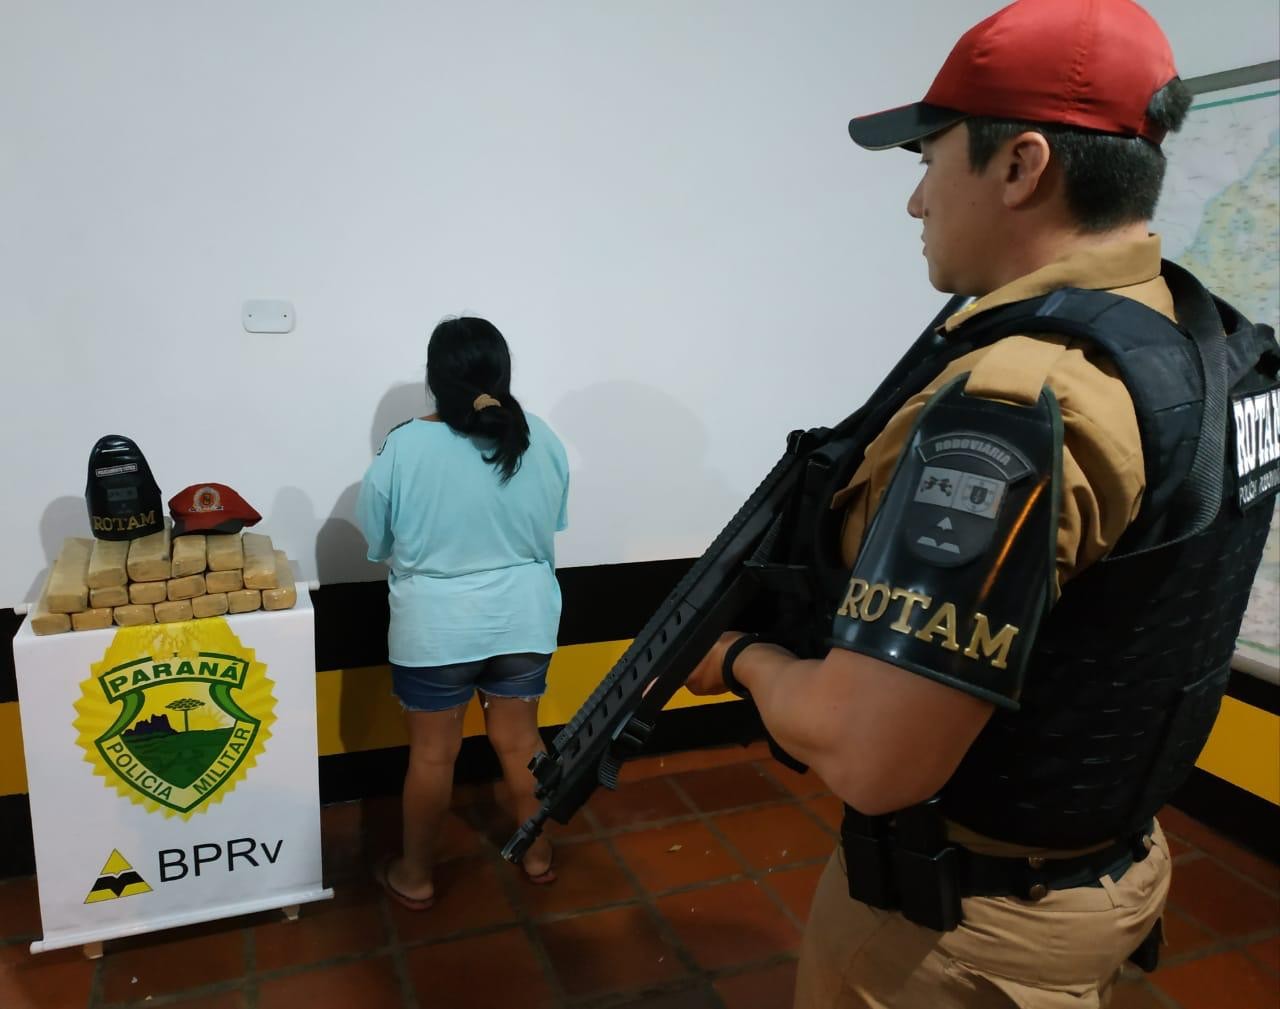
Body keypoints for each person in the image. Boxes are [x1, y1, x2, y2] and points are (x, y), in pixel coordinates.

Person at [685, 0, 1279, 1006]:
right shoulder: (1218, 344)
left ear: (1019, 167)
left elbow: (876, 760)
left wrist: (740, 658)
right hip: (1114, 864)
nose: (915, 200)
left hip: (960, 933)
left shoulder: (1021, 399)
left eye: (929, 158)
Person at [357, 316, 570, 909]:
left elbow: (376, 538)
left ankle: (416, 876)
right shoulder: (541, 437)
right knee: (522, 743)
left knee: (431, 755)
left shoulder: (403, 446)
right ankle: (538, 852)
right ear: (503, 371)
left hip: (436, 628)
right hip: (524, 619)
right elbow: (552, 523)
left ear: (433, 378)